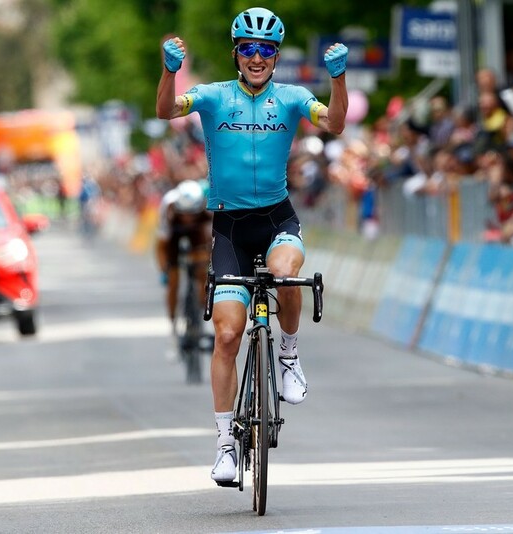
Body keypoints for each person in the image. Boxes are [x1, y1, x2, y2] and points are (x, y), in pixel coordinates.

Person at [155, 6, 349, 483]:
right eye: (248, 49)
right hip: (230, 230)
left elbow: (337, 126)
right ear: (236, 53)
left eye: (265, 50)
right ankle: (225, 445)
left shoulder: (292, 97)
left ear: (276, 56)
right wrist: (169, 72)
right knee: (226, 336)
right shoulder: (215, 97)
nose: (257, 57)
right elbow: (165, 111)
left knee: (286, 275)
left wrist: (338, 81)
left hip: (277, 219)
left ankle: (288, 356)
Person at [154, 179, 212, 361]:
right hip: (173, 238)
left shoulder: (206, 209)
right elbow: (161, 246)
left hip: (198, 237)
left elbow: (212, 244)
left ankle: (206, 320)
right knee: (173, 282)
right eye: (184, 213)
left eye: (192, 213)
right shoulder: (168, 207)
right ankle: (173, 330)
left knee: (204, 275)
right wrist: (165, 270)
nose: (188, 218)